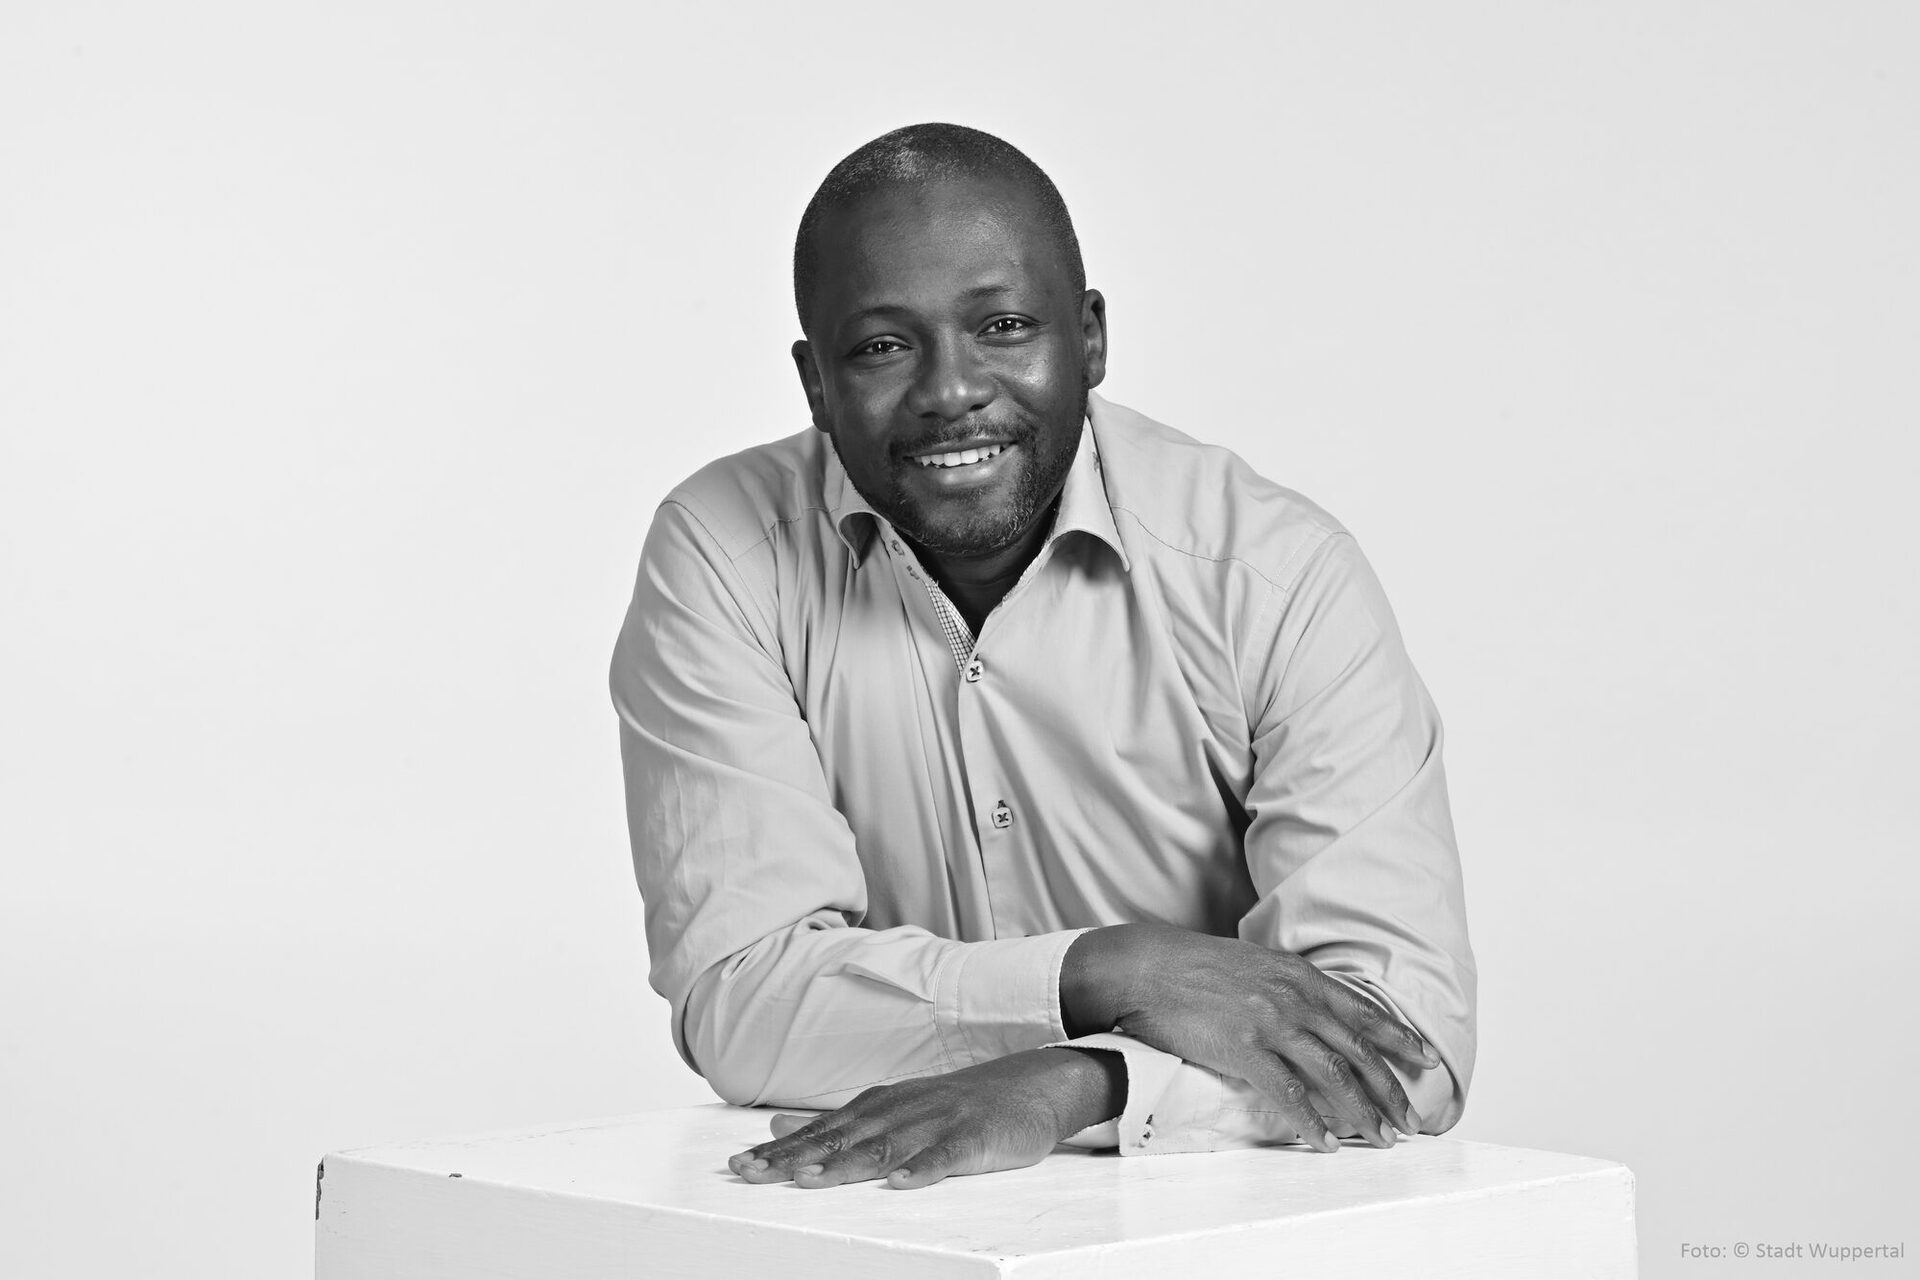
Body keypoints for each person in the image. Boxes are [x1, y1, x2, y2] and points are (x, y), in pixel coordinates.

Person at [610, 123, 1475, 1192]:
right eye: (882, 346)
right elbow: (740, 1002)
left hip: (1244, 1222)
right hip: (883, 1227)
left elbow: (1404, 1048)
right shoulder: (727, 554)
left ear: (1091, 338)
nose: (950, 390)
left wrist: (1075, 1082)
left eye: (1004, 326)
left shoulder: (1274, 574)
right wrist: (1114, 969)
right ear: (816, 384)